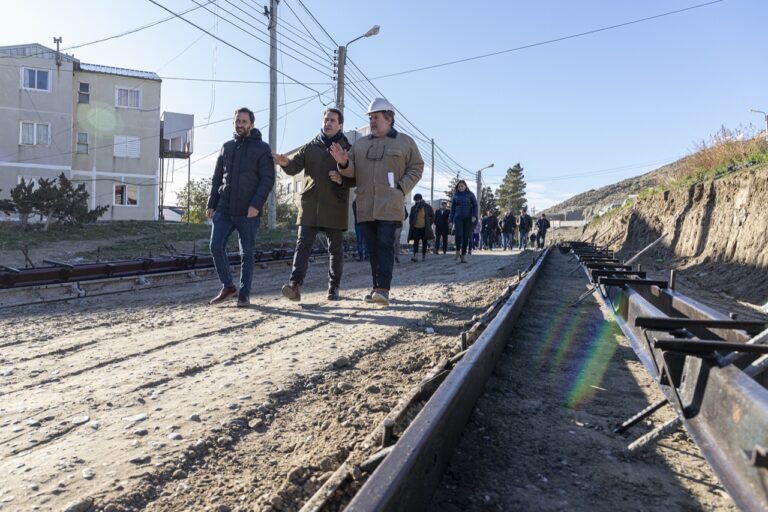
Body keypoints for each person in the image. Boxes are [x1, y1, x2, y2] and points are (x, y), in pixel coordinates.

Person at [330, 98, 424, 306]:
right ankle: (376, 288)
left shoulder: (405, 142)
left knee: (384, 245)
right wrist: (343, 162)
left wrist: (401, 187)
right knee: (373, 248)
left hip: (390, 205)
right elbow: (352, 170)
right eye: (371, 118)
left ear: (389, 119)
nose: (372, 122)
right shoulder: (361, 144)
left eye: (376, 117)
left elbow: (417, 166)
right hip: (365, 206)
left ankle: (383, 288)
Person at [274, 108, 353, 302]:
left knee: (335, 249)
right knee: (302, 246)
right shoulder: (310, 146)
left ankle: (333, 288)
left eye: (332, 120)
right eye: (326, 119)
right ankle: (294, 285)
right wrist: (285, 163)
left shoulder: (347, 148)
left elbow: (356, 176)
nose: (328, 123)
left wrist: (342, 180)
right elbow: (294, 168)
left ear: (340, 125)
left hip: (335, 203)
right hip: (310, 203)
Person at [206, 107, 275, 307]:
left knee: (247, 253)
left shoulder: (262, 148)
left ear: (251, 125)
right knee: (215, 245)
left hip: (248, 210)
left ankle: (244, 293)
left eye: (244, 122)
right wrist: (212, 204)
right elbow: (217, 178)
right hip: (224, 208)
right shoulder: (226, 147)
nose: (240, 125)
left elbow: (267, 179)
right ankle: (228, 286)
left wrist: (256, 204)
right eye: (237, 121)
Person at [449, 180, 478, 263]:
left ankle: (463, 255)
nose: (461, 187)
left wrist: (474, 216)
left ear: (465, 186)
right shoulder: (455, 195)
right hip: (458, 218)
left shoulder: (470, 194)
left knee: (466, 237)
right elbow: (452, 209)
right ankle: (458, 250)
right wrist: (450, 220)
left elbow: (475, 206)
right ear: (457, 187)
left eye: (462, 186)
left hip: (468, 219)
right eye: (459, 186)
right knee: (458, 235)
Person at [407, 193, 434, 262]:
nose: (417, 202)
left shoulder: (427, 207)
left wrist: (429, 224)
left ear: (421, 199)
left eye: (418, 200)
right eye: (415, 200)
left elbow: (432, 216)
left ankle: (423, 255)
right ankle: (415, 256)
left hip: (425, 228)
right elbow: (411, 217)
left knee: (425, 242)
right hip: (416, 228)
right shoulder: (413, 208)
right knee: (415, 242)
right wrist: (411, 223)